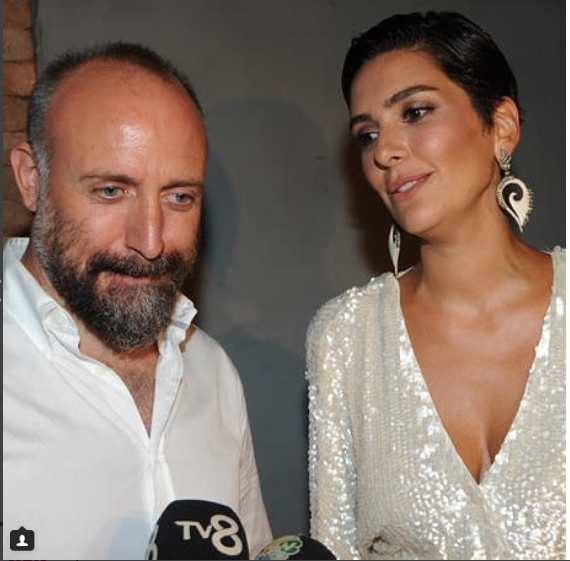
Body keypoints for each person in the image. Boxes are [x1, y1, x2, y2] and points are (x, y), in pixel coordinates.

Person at [306, 11, 565, 560]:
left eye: (416, 112)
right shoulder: (346, 339)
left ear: (501, 125)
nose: (384, 151)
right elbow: (332, 546)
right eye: (367, 135)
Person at [3, 41, 273, 560]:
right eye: (111, 191)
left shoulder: (212, 371)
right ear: (32, 180)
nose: (150, 241)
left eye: (179, 197)